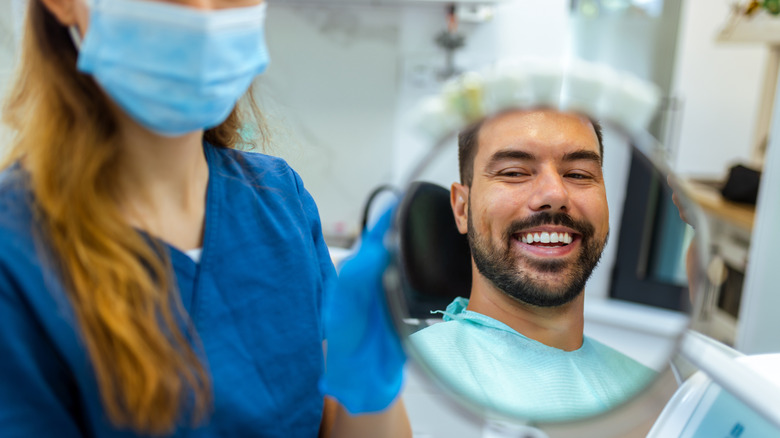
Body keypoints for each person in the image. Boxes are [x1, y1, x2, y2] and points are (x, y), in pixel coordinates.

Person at [0, 0, 409, 437]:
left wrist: (371, 382)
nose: (204, 14)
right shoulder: (17, 252)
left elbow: (342, 421)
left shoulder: (279, 200)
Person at [411, 108, 655, 421]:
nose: (555, 194)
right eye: (514, 172)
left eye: (579, 174)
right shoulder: (408, 381)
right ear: (462, 208)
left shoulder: (654, 389)